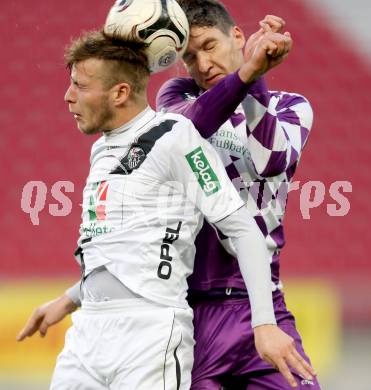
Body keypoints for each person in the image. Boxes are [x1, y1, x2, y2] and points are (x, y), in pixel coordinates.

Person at [17, 29, 314, 389]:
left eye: (79, 85)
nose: (67, 97)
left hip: (160, 328)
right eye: (189, 57)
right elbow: (120, 244)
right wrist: (70, 299)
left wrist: (264, 323)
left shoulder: (176, 133)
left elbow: (250, 208)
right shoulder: (105, 148)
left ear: (121, 92)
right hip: (91, 331)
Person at [156, 1, 322, 389]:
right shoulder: (176, 96)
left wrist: (254, 78)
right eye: (189, 56)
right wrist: (249, 71)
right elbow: (193, 125)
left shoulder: (291, 106)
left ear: (238, 36)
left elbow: (271, 162)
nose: (201, 64)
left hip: (263, 304)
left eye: (209, 46)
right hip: (193, 311)